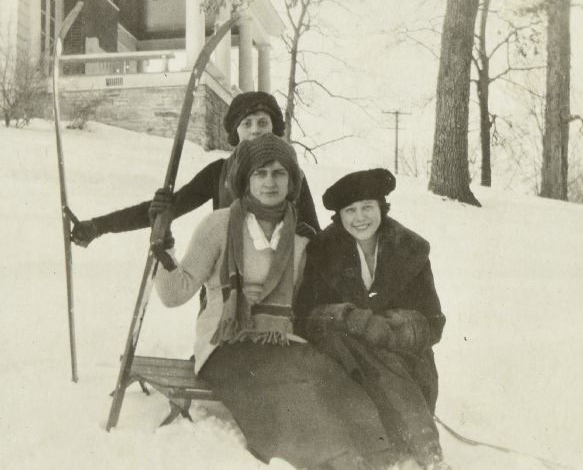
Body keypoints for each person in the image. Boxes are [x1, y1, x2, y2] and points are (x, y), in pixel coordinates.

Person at [152, 135, 412, 470]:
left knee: (334, 377)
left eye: (279, 173)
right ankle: (334, 462)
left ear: (291, 182)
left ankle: (385, 459)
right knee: (289, 393)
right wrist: (163, 247)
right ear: (246, 180)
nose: (270, 182)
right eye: (260, 173)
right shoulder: (218, 226)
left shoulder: (302, 238)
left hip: (283, 341)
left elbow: (316, 299)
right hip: (225, 344)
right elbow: (174, 293)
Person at [295, 168, 449, 470]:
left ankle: (411, 451)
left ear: (382, 208)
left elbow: (432, 322)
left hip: (406, 368)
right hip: (346, 366)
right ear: (339, 217)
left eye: (367, 207)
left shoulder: (411, 249)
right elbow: (304, 317)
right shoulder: (323, 251)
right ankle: (425, 451)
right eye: (350, 210)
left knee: (378, 355)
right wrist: (353, 319)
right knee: (353, 349)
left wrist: (389, 332)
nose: (359, 217)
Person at [70, 91, 319, 247]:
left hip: (280, 286)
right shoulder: (219, 173)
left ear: (274, 129)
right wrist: (98, 226)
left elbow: (314, 236)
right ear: (236, 131)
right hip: (225, 286)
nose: (255, 129)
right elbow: (173, 207)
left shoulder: (290, 176)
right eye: (247, 123)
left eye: (263, 122)